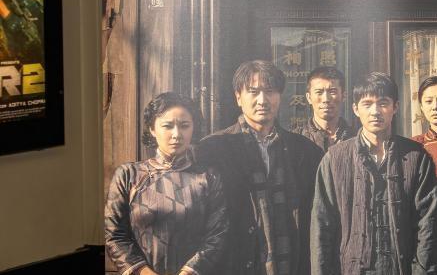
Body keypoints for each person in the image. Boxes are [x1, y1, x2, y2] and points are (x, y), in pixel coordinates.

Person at [195, 60, 323, 275]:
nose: (262, 100)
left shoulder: (305, 151)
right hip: (235, 265)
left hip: (292, 264)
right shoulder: (213, 149)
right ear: (238, 97)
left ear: (280, 96)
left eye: (270, 91)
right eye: (253, 92)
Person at [310, 72, 437, 275]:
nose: (375, 111)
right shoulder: (334, 158)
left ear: (395, 107)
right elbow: (322, 226)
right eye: (367, 104)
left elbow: (427, 224)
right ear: (355, 109)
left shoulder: (416, 157)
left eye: (383, 103)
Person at [106, 92, 228, 275]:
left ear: (193, 128)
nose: (177, 134)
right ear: (152, 129)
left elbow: (217, 235)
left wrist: (188, 272)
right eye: (167, 126)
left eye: (184, 126)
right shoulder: (128, 175)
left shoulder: (208, 177)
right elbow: (114, 234)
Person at [293, 66, 354, 151]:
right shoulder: (295, 139)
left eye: (332, 92)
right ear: (309, 97)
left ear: (343, 96)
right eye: (319, 92)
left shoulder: (356, 137)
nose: (326, 99)